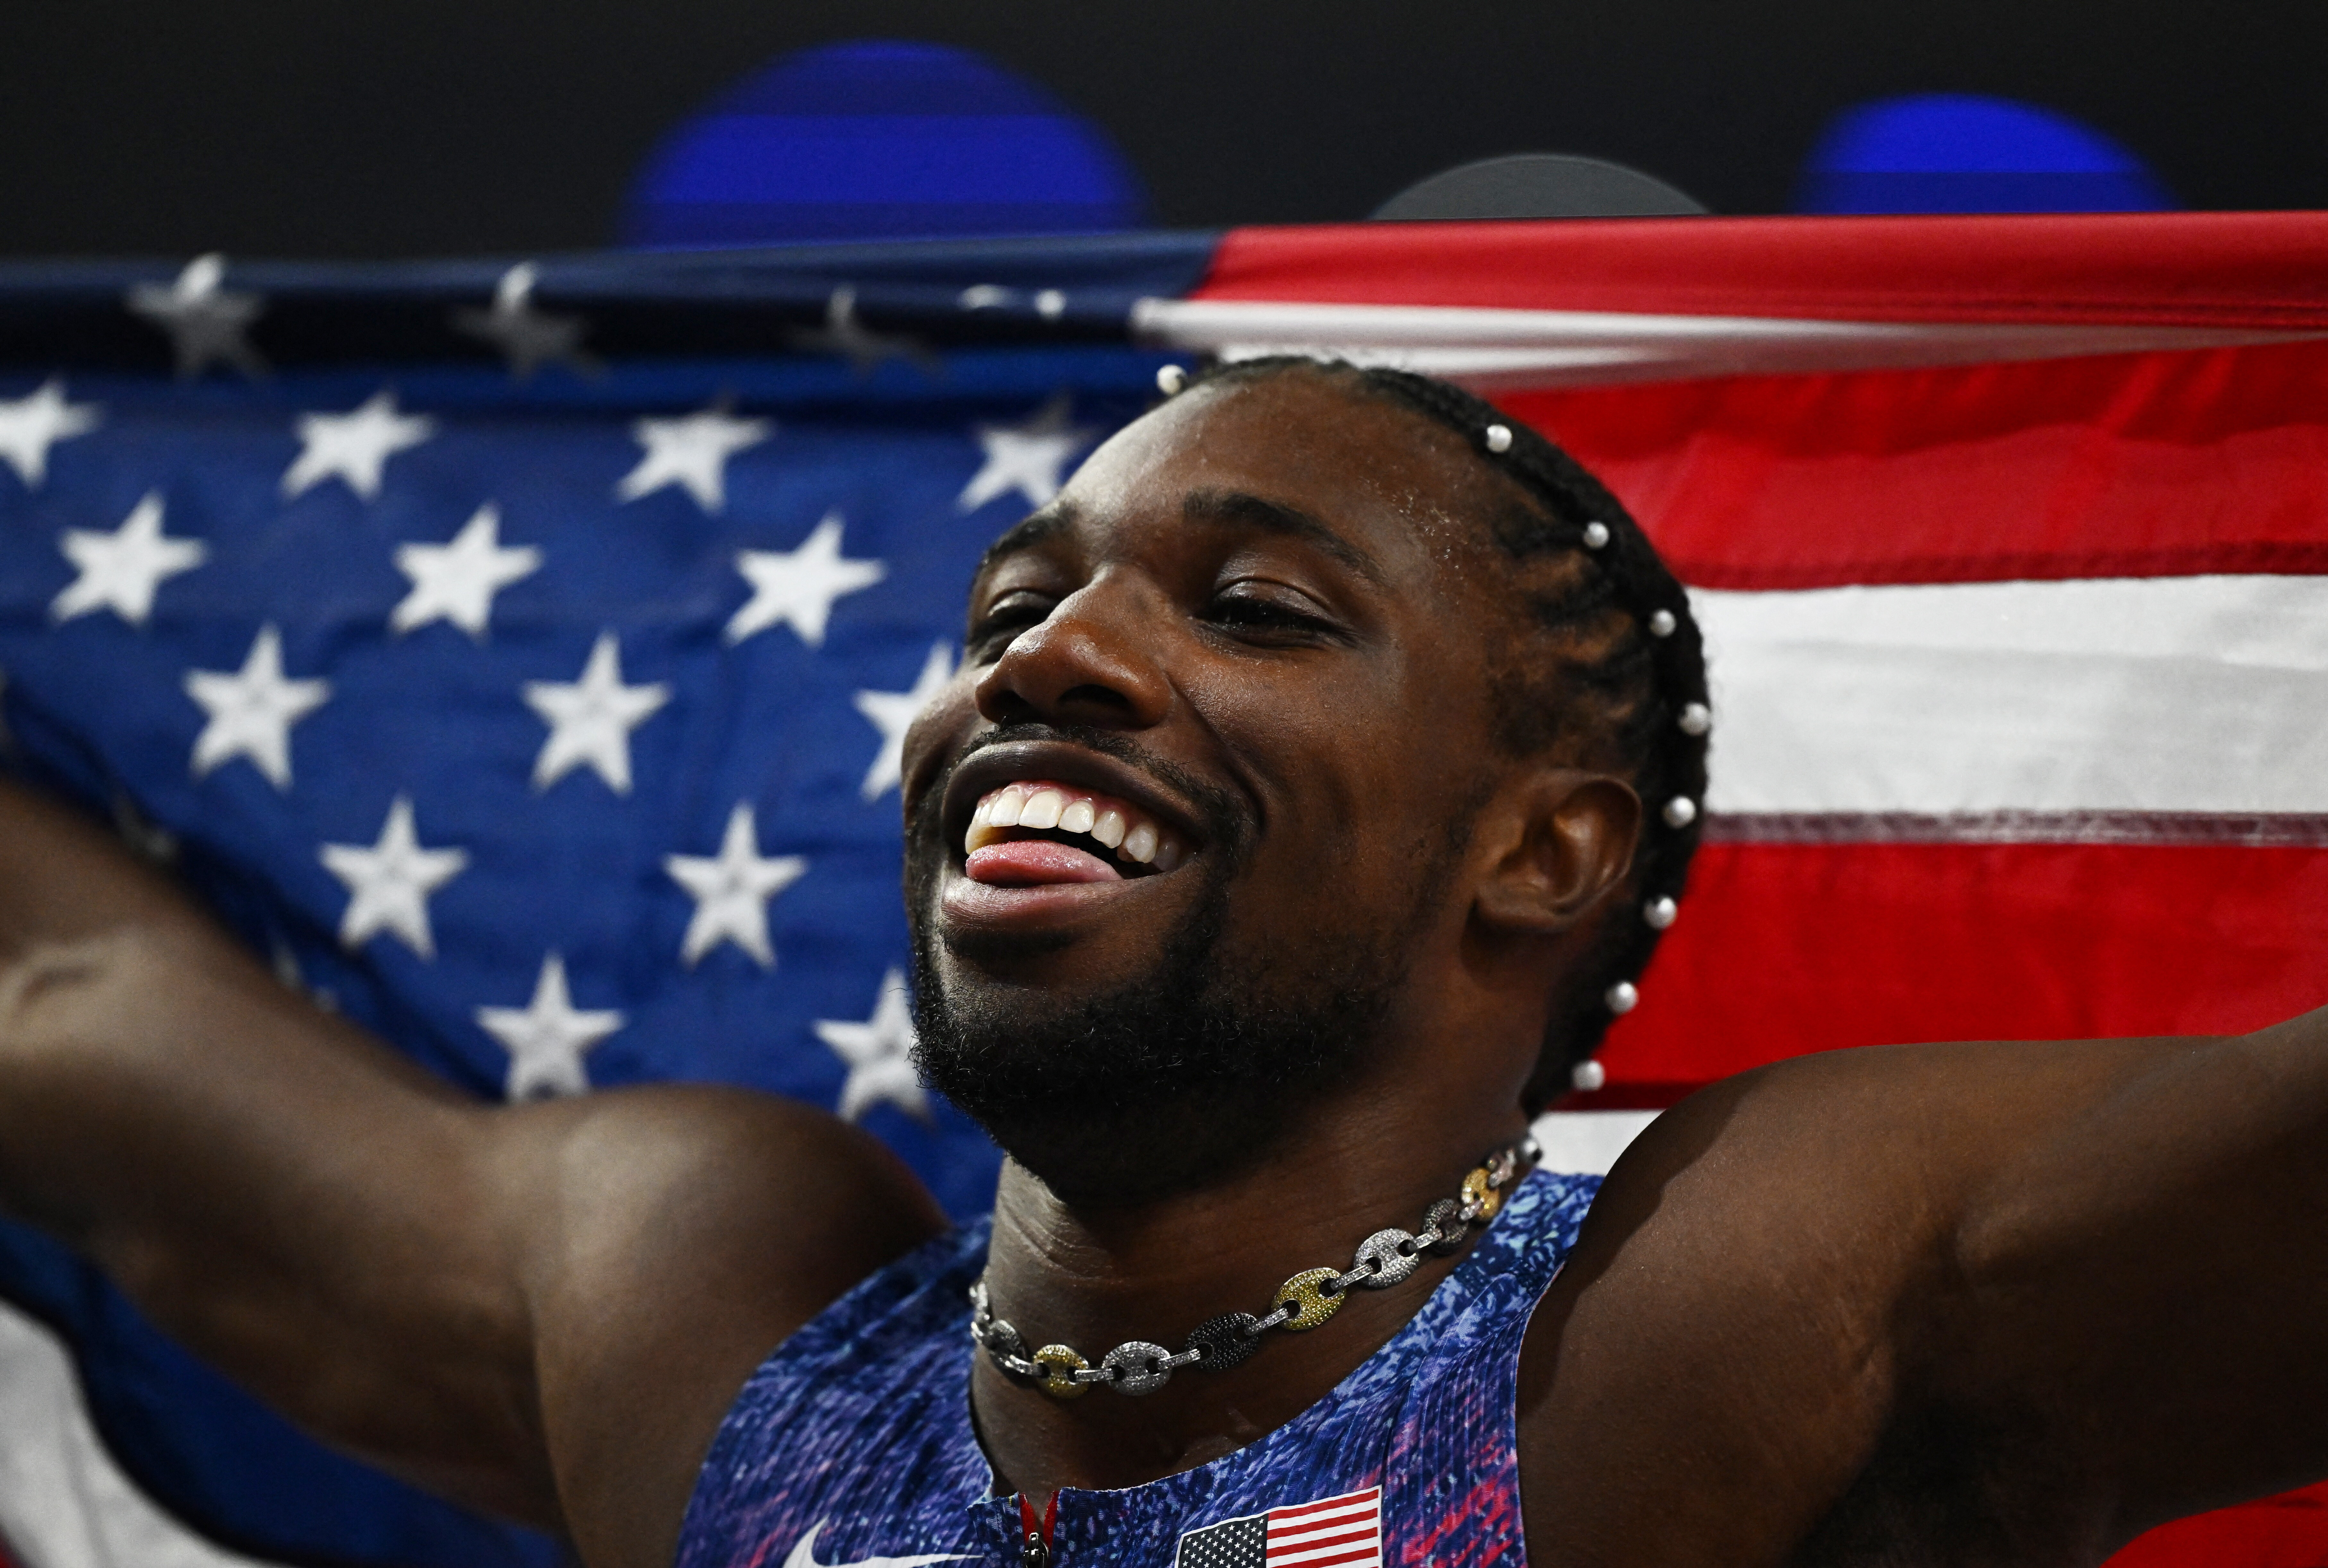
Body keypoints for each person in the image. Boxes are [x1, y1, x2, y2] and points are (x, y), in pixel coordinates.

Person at [0, 356, 2321, 1568]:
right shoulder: (705, 1310)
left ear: (1536, 849)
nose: (1056, 658)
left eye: (1256, 608)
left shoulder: (1725, 1315)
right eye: (1016, 608)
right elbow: (74, 1023)